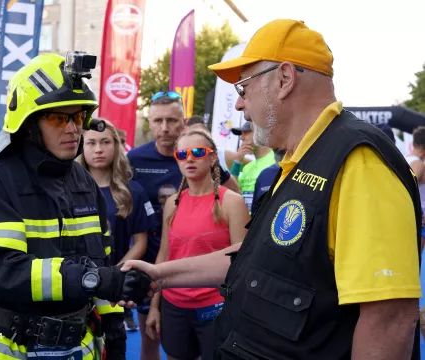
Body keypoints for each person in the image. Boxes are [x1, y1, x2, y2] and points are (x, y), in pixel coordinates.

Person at [122, 19, 421, 359]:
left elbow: (389, 319)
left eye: (243, 88)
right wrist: (160, 274)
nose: (239, 105)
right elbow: (254, 257)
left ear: (284, 78)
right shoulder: (301, 160)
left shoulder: (358, 162)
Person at [0, 52, 150, 360]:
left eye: (77, 117)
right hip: (10, 351)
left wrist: (113, 320)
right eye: (58, 118)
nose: (74, 129)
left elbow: (101, 258)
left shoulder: (83, 180)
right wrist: (93, 279)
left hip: (82, 346)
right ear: (28, 122)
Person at [127, 91, 238, 360]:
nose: (164, 128)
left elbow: (231, 196)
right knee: (150, 340)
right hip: (154, 264)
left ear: (183, 122)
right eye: (158, 121)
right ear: (149, 122)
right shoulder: (136, 160)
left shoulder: (202, 156)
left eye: (171, 120)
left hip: (209, 282)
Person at [147, 129, 248, 360]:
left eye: (198, 152)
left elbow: (242, 264)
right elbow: (164, 255)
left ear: (213, 157)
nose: (189, 158)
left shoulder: (232, 202)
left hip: (216, 307)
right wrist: (155, 307)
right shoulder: (173, 202)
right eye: (182, 154)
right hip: (174, 304)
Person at [80, 119, 155, 334]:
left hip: (115, 289)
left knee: (114, 345)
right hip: (76, 286)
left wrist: (113, 276)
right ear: (81, 147)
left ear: (116, 146)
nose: (99, 149)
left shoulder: (133, 191)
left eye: (105, 142)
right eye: (91, 143)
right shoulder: (66, 190)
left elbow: (141, 242)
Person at [229, 122, 275, 211]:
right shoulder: (247, 168)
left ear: (259, 132)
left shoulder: (275, 161)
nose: (241, 138)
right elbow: (233, 191)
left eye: (246, 133)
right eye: (241, 134)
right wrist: (237, 162)